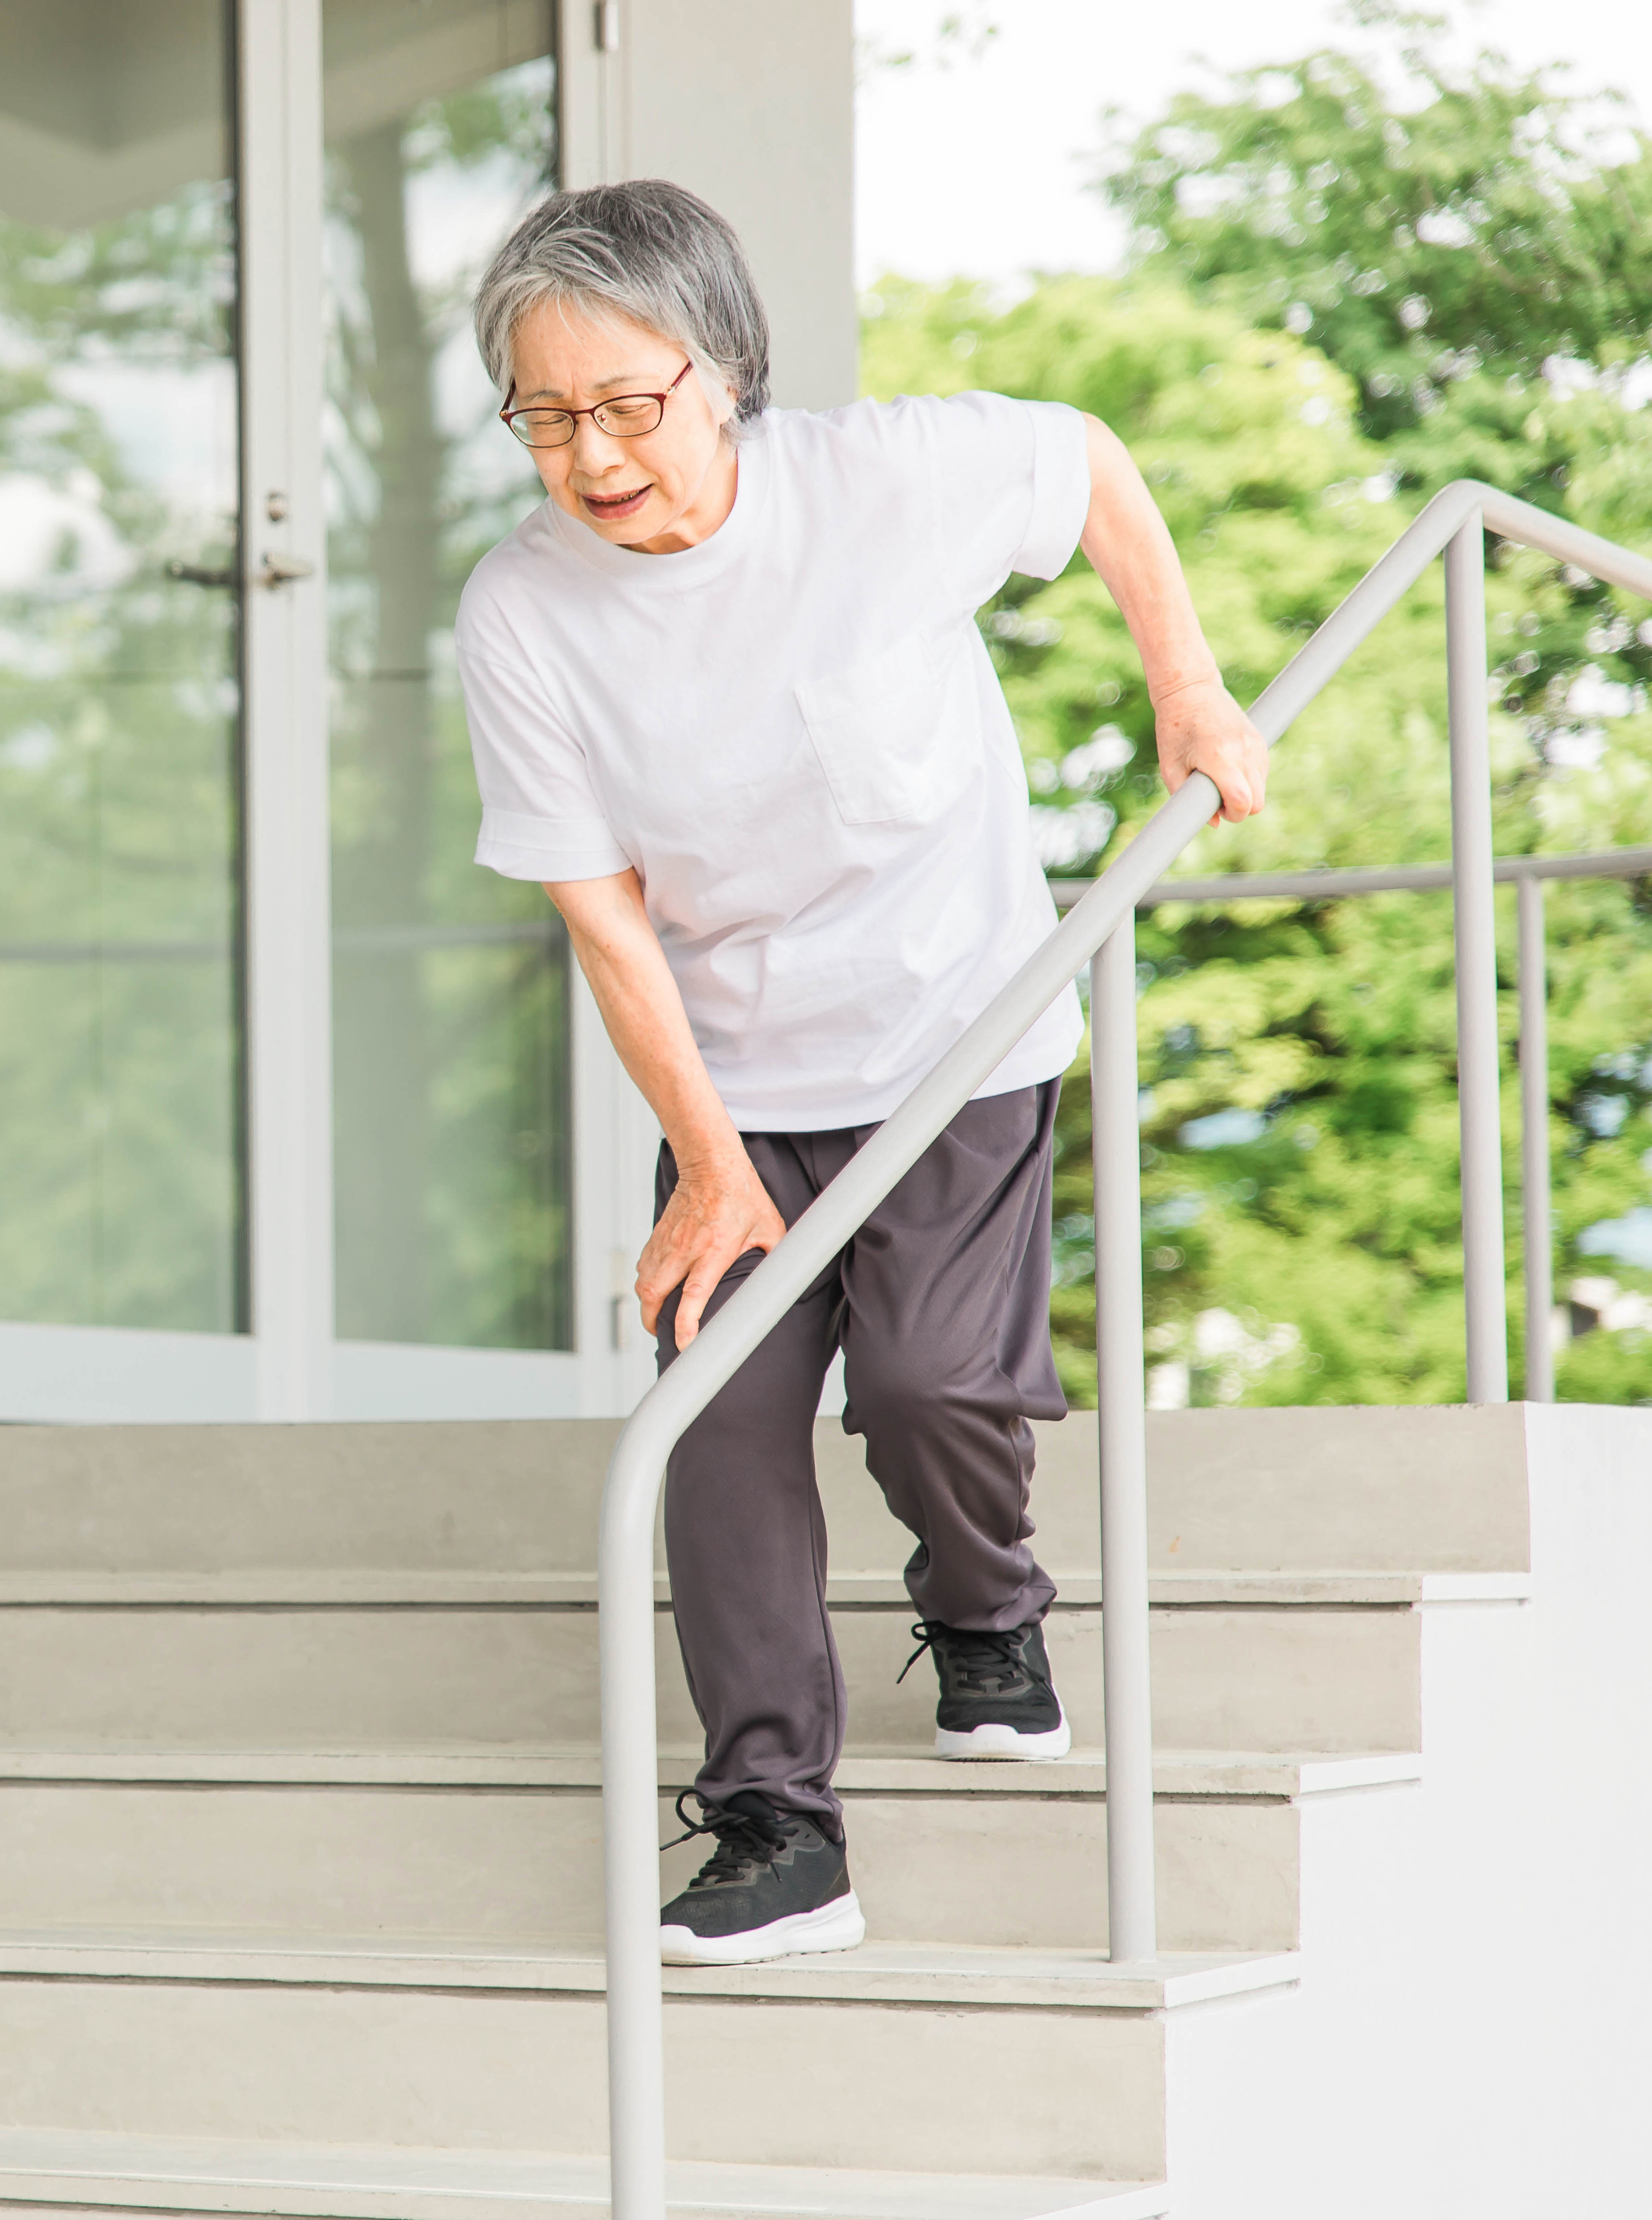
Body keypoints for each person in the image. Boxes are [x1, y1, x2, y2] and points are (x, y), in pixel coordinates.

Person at [455, 182, 1270, 1967]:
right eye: (543, 417)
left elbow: (1087, 464)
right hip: (731, 1074)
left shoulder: (882, 482)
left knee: (922, 1386)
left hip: (952, 1029)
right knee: (716, 1423)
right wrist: (704, 1160)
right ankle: (775, 1826)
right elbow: (604, 920)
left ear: (724, 373)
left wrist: (1187, 689)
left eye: (624, 405)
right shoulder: (521, 614)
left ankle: (986, 1605)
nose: (589, 456)